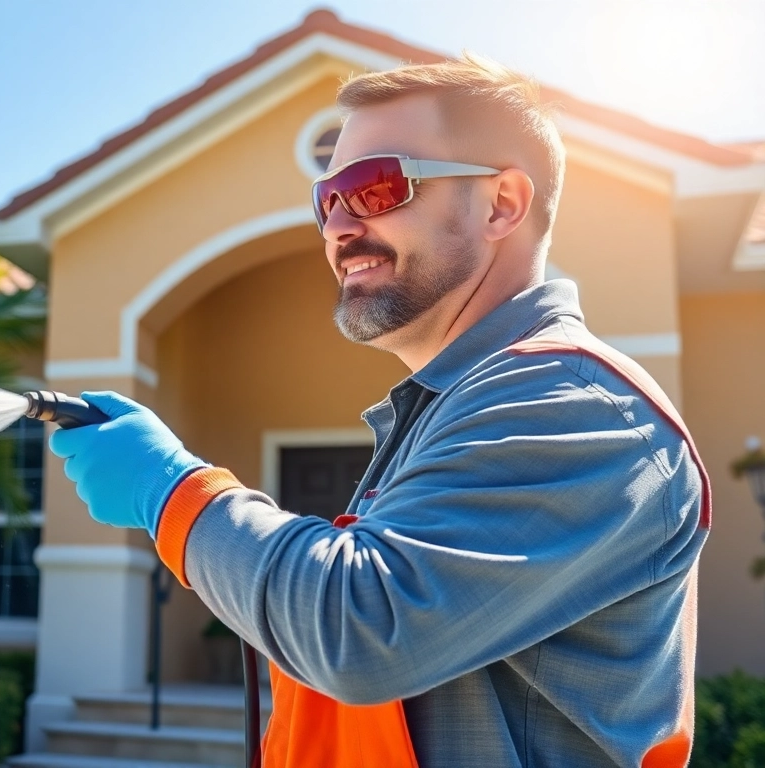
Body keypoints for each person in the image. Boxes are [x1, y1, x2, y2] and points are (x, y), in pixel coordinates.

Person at [48, 53, 709, 768]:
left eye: (374, 187)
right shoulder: (462, 403)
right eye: (326, 200)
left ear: (501, 204)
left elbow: (358, 627)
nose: (336, 226)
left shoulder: (572, 403)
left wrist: (170, 491)